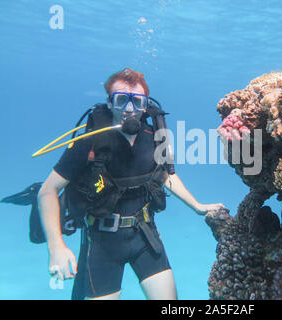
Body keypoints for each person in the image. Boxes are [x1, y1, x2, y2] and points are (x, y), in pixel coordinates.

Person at [38, 68, 225, 300]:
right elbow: (48, 191)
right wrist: (55, 247)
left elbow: (165, 175)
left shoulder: (154, 137)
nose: (129, 109)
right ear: (109, 103)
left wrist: (196, 205)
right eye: (120, 100)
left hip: (144, 235)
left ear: (146, 105)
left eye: (137, 102)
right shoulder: (88, 143)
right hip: (102, 242)